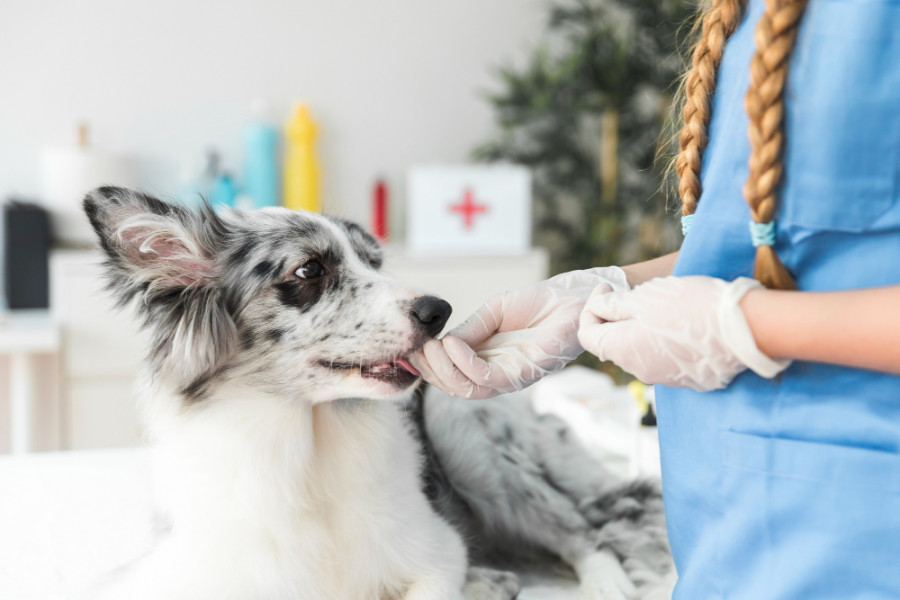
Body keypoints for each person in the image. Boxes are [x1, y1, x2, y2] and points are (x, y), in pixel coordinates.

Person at [410, 0, 900, 597]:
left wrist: (745, 325)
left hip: (864, 528)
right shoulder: (750, 17)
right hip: (730, 533)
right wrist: (611, 287)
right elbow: (784, 245)